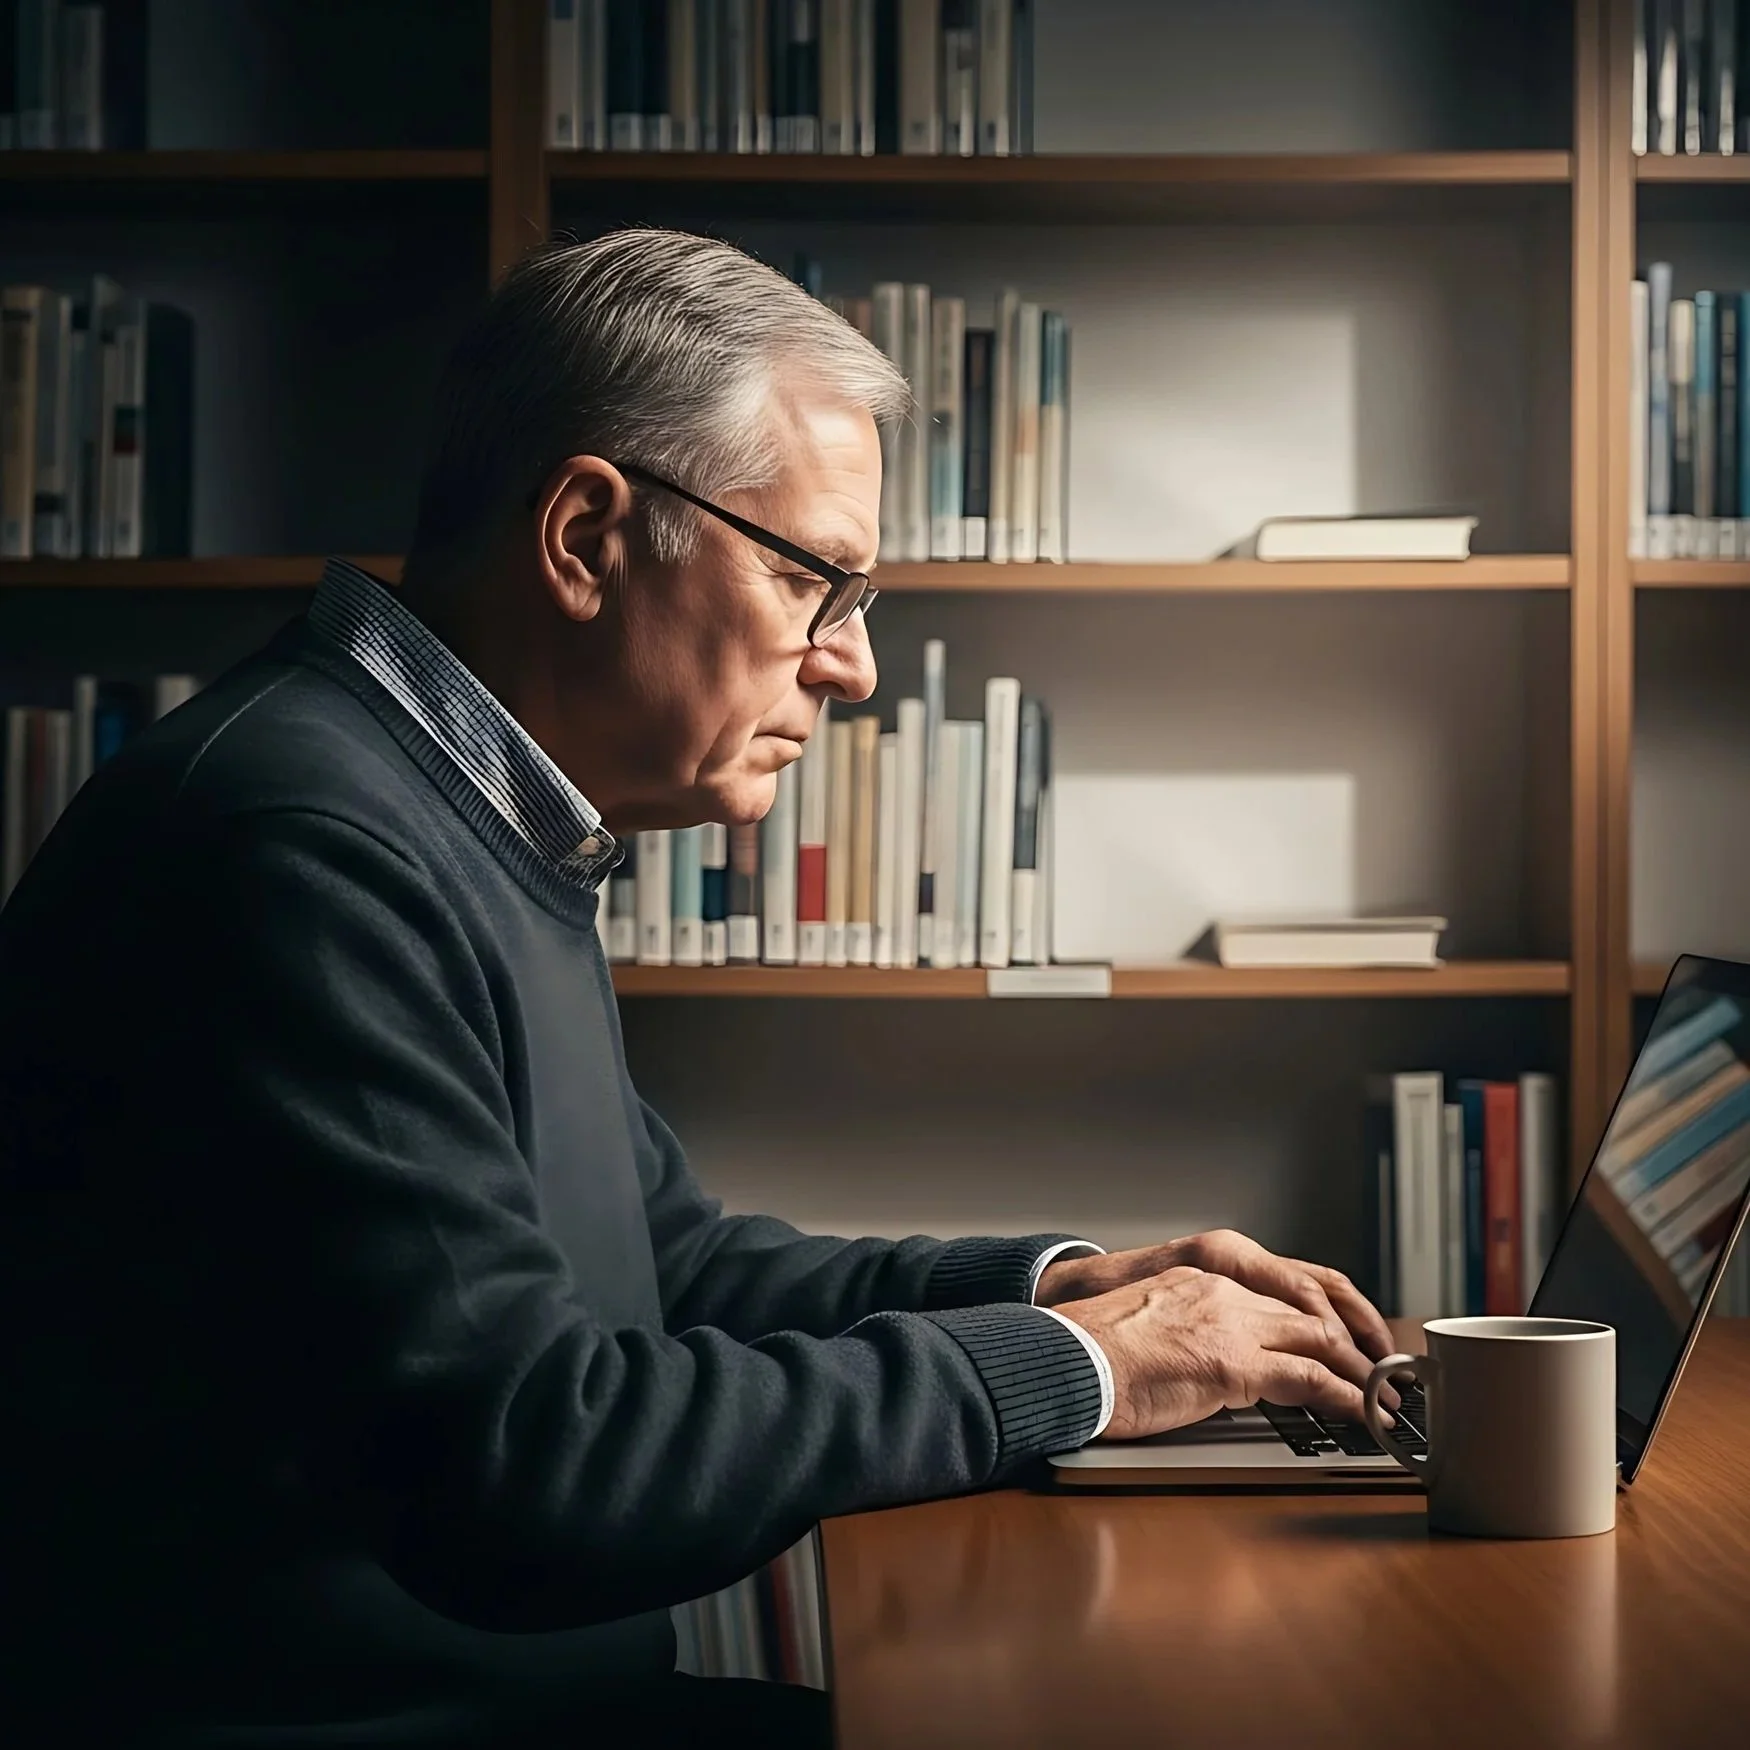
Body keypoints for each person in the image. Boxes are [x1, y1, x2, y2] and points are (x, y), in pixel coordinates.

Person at [0, 229, 1393, 1749]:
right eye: (817, 580)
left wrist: (1058, 1289)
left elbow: (669, 1267)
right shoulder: (300, 848)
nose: (851, 667)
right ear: (588, 535)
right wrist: (1087, 1371)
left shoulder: (449, 811)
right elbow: (535, 1471)